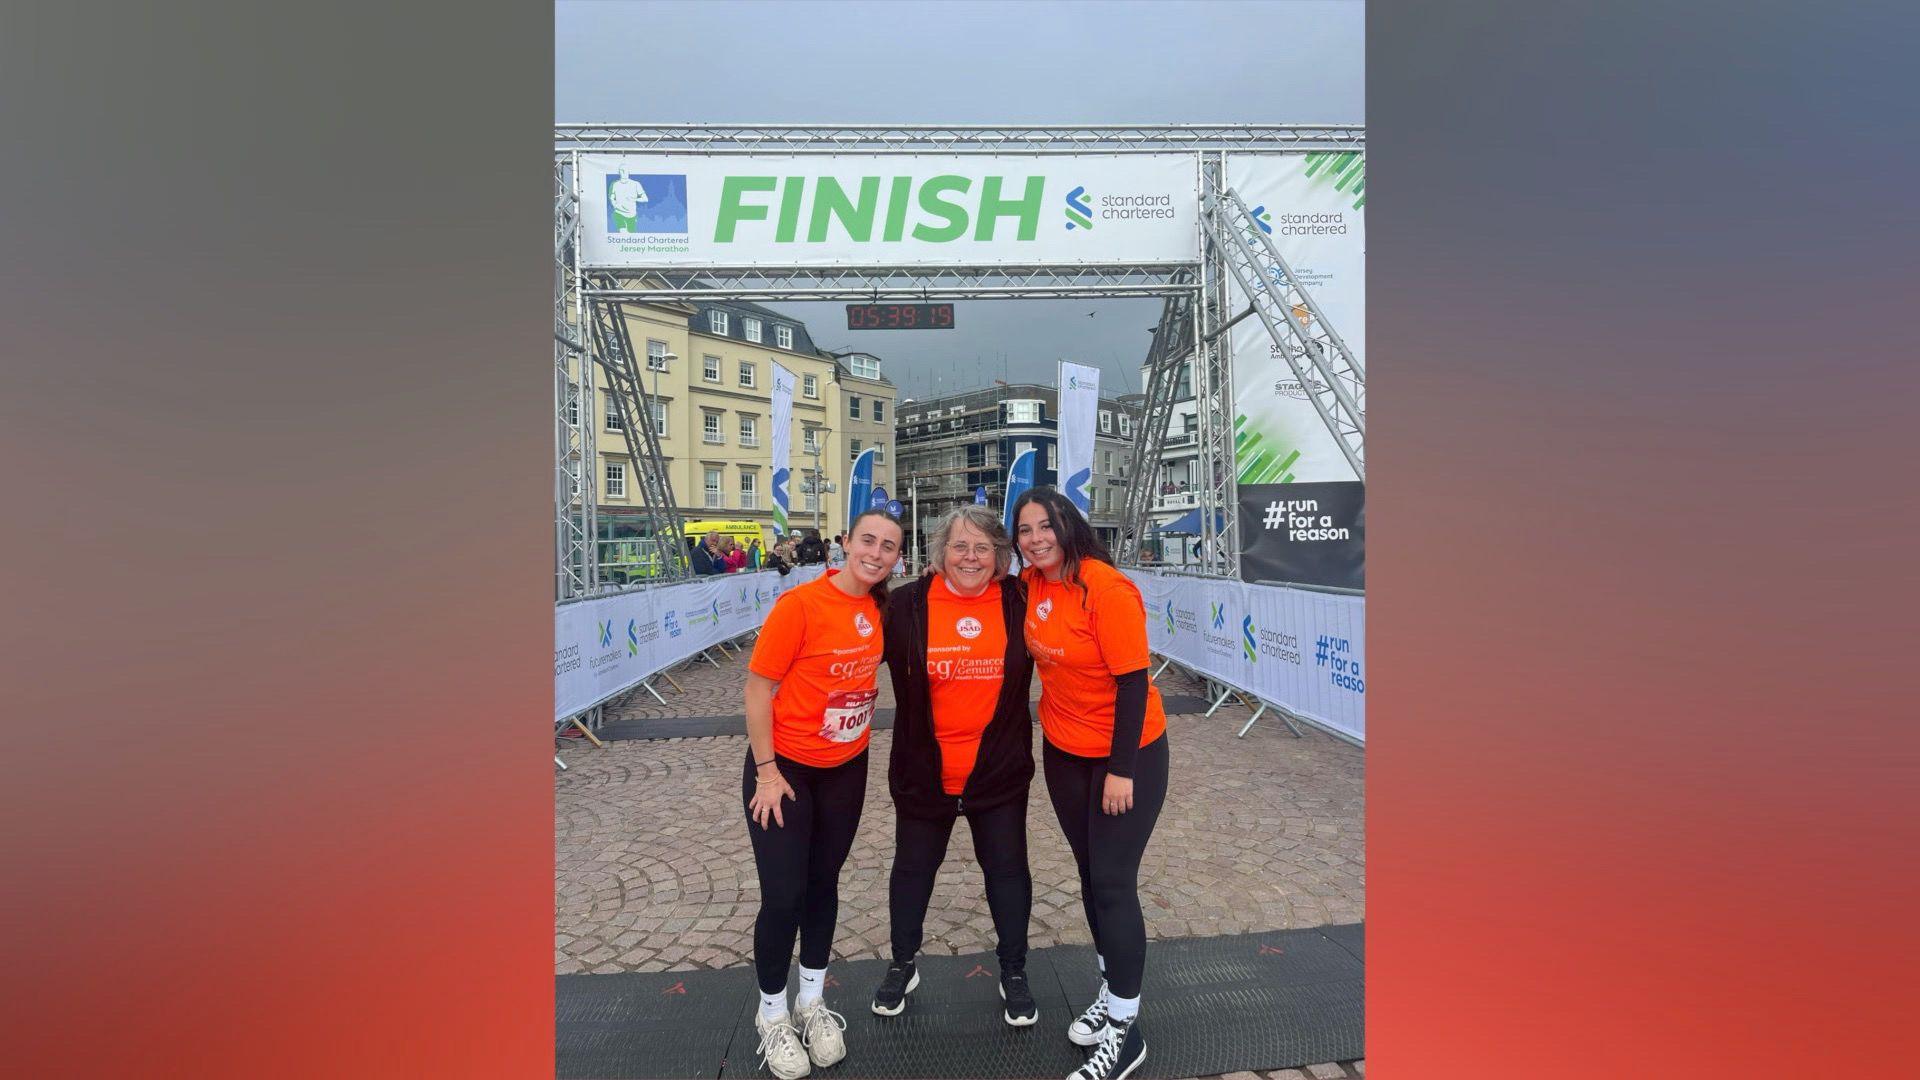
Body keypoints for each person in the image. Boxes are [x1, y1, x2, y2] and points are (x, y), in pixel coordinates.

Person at [1012, 487, 1169, 1080]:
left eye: (1044, 527)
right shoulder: (1033, 584)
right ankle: (1110, 993)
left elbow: (1133, 684)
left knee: (1111, 879)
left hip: (1126, 756)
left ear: (1066, 525)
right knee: (1089, 874)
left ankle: (1127, 1032)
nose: (1035, 539)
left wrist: (1121, 770)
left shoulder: (1105, 587)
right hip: (1064, 751)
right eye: (1024, 531)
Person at [741, 509, 904, 1079]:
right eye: (868, 541)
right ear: (845, 543)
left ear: (896, 558)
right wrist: (766, 770)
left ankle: (811, 1003)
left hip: (844, 769)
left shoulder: (883, 608)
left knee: (823, 885)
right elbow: (759, 688)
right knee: (783, 896)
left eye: (888, 546)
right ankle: (772, 1015)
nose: (877, 553)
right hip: (784, 771)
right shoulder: (802, 606)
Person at [870, 506, 1037, 1027]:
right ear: (939, 552)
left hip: (999, 771)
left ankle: (1013, 970)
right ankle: (902, 962)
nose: (970, 557)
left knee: (1007, 873)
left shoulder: (1021, 599)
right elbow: (844, 641)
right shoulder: (905, 606)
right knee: (913, 872)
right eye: (960, 547)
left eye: (983, 548)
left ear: (1000, 558)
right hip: (924, 771)